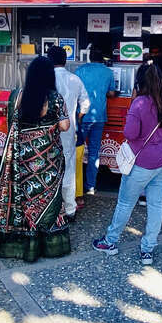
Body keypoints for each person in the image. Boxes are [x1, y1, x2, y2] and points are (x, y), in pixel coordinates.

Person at [0, 56, 72, 262]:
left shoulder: (16, 95)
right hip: (48, 161)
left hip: (22, 159)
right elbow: (65, 126)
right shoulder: (55, 98)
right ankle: (49, 245)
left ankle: (23, 242)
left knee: (23, 198)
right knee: (49, 199)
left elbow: (11, 124)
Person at [93, 63, 162, 265]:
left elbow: (130, 134)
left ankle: (110, 241)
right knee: (156, 204)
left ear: (140, 82)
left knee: (125, 203)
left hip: (142, 163)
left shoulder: (139, 104)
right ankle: (147, 250)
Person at [47, 45, 89, 220]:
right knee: (69, 168)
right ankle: (70, 209)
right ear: (65, 60)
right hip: (69, 131)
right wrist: (76, 118)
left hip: (47, 131)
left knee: (48, 168)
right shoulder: (75, 79)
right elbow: (85, 104)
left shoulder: (44, 79)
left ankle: (50, 208)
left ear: (49, 60)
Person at [75, 47, 116, 195]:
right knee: (94, 152)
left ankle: (75, 185)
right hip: (99, 117)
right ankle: (90, 186)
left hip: (82, 116)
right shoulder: (108, 72)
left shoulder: (80, 70)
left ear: (90, 57)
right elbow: (111, 93)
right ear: (102, 58)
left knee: (77, 150)